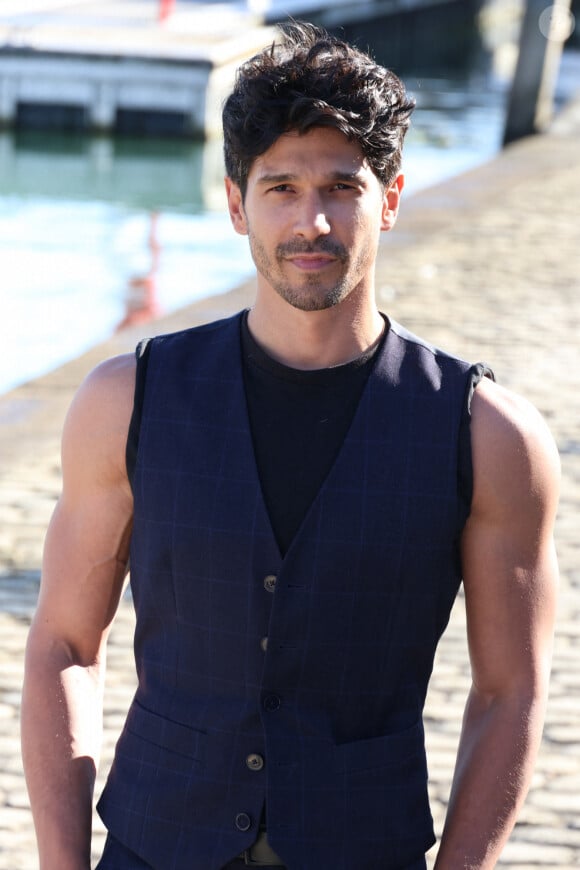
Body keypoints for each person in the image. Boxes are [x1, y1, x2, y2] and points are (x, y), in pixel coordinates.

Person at [21, 21, 560, 870]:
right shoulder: (128, 400)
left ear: (390, 196)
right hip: (154, 847)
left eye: (342, 187)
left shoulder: (486, 433)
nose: (312, 221)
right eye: (280, 188)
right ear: (236, 204)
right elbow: (61, 644)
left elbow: (509, 689)